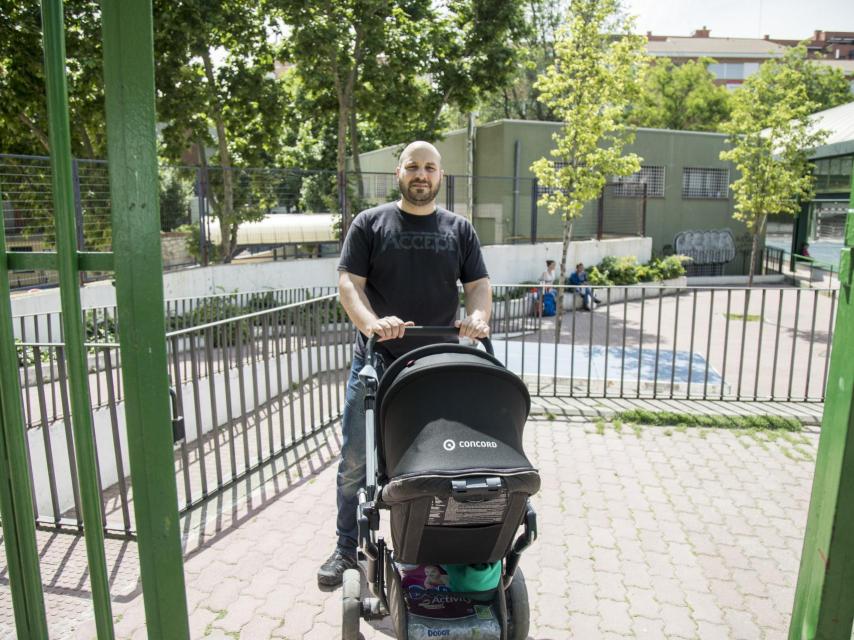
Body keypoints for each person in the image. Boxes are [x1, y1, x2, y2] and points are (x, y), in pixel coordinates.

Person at [317, 141, 492, 587]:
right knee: (356, 462)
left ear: (440, 176)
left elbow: (478, 285)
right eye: (413, 166)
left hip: (437, 366)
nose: (421, 174)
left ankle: (433, 546)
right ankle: (344, 549)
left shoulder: (460, 229)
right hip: (376, 365)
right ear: (398, 173)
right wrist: (373, 324)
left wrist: (478, 318)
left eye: (429, 168)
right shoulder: (370, 224)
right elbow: (348, 286)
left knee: (439, 461)